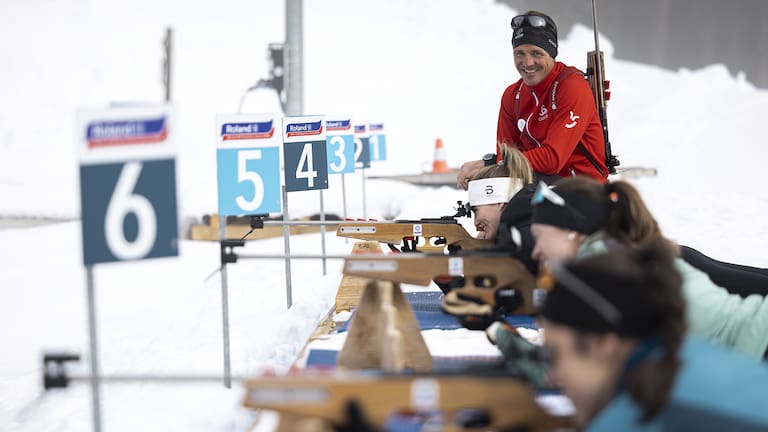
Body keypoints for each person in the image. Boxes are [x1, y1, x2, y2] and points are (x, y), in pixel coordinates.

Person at [528, 176, 768, 359]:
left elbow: (592, 362)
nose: (535, 250)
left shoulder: (604, 266)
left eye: (539, 236)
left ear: (573, 231)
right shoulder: (611, 254)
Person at [539, 244, 768, 430]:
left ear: (605, 345)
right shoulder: (692, 355)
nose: (551, 376)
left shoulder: (638, 416)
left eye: (552, 354)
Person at [457, 10, 608, 190]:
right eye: (519, 53)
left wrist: (493, 165)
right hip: (541, 189)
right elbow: (506, 157)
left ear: (552, 54)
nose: (527, 62)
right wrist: (491, 164)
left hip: (585, 192)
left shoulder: (571, 87)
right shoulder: (512, 96)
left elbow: (552, 159)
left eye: (536, 53)